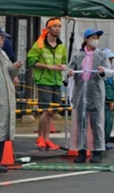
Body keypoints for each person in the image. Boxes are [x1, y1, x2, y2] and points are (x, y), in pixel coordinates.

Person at [67, 28, 110, 163]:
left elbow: (108, 73)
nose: (95, 40)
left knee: (97, 123)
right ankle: (81, 151)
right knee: (81, 124)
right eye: (93, 37)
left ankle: (98, 151)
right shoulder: (77, 56)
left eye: (97, 37)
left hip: (96, 93)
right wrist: (69, 73)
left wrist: (103, 72)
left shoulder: (102, 56)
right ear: (86, 39)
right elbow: (69, 69)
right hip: (80, 94)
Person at [27, 17, 67, 151]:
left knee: (53, 112)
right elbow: (31, 61)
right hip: (44, 80)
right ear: (48, 29)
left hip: (57, 81)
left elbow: (65, 61)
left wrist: (63, 66)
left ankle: (46, 138)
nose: (57, 29)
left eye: (59, 26)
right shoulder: (39, 44)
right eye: (55, 26)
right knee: (46, 110)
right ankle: (40, 138)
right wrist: (47, 67)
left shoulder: (61, 46)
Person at [0, 28, 22, 173]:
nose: (3, 41)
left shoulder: (3, 53)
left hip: (5, 96)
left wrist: (15, 68)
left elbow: (9, 71)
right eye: (1, 38)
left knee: (2, 131)